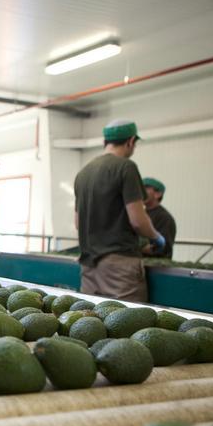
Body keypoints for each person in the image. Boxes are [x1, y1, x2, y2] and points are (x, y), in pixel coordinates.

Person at [74, 120, 165, 302]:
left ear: (105, 142)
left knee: (91, 321)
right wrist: (156, 237)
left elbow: (78, 223)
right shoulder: (126, 167)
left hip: (89, 266)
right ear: (131, 141)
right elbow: (138, 220)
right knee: (125, 322)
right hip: (119, 268)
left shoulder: (83, 172)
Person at [140, 177, 176, 259]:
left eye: (146, 188)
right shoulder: (139, 215)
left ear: (158, 194)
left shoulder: (164, 218)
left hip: (154, 268)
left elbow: (163, 248)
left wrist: (136, 247)